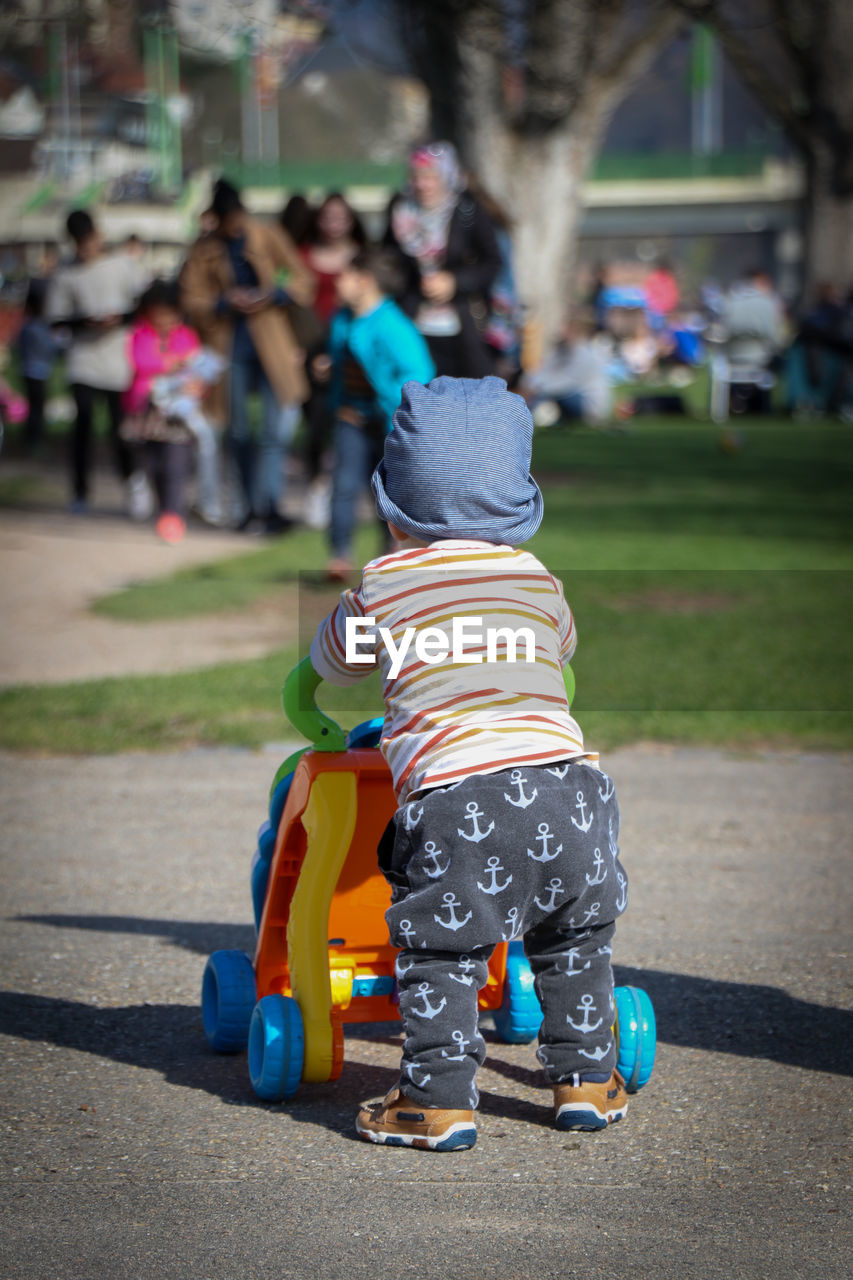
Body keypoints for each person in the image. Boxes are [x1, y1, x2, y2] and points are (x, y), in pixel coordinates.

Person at [310, 376, 630, 1151]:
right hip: (573, 787)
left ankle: (438, 1097)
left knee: (441, 951)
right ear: (519, 506)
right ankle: (586, 1079)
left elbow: (334, 664)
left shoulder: (383, 586)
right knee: (572, 938)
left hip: (461, 798)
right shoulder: (537, 580)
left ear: (392, 509)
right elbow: (560, 651)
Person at [180, 178, 316, 533]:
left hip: (270, 343)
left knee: (273, 431)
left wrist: (272, 295)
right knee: (237, 429)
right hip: (229, 348)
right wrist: (225, 302)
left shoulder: (266, 235)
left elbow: (302, 280)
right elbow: (191, 299)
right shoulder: (204, 248)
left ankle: (268, 506)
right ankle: (246, 507)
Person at [316, 247, 435, 576]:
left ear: (364, 281)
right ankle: (339, 556)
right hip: (349, 417)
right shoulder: (342, 320)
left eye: (345, 276)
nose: (338, 282)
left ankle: (391, 555)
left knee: (389, 491)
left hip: (387, 423)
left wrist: (386, 394)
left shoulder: (393, 325)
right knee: (343, 485)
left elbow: (419, 374)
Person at [46, 208, 148, 515]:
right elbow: (56, 320)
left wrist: (120, 319)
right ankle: (80, 492)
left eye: (89, 240)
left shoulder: (122, 265)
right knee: (84, 426)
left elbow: (145, 304)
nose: (86, 248)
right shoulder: (66, 274)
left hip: (118, 360)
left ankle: (133, 484)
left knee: (121, 428)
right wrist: (86, 322)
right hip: (84, 361)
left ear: (98, 235)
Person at [385, 142, 502, 378]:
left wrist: (454, 281)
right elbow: (389, 260)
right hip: (415, 320)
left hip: (463, 323)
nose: (422, 184)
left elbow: (493, 262)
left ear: (447, 175)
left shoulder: (468, 210)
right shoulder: (400, 210)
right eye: (416, 176)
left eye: (430, 176)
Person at [122, 279, 223, 541]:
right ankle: (162, 507)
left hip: (179, 415)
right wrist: (174, 364)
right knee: (154, 464)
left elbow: (200, 372)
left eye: (171, 312)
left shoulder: (186, 335)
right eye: (160, 311)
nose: (166, 318)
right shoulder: (140, 333)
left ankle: (173, 514)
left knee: (177, 462)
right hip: (148, 413)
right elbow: (141, 363)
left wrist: (195, 385)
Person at [298, 193, 369, 523]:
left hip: (351, 355)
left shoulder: (364, 260)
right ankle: (318, 485)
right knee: (315, 425)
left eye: (340, 216)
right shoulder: (303, 257)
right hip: (314, 349)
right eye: (327, 216)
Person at [15, 278, 62, 455]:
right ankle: (34, 441)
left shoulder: (27, 326)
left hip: (29, 370)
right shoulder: (37, 327)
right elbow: (49, 348)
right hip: (37, 372)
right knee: (37, 408)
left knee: (34, 407)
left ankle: (30, 438)